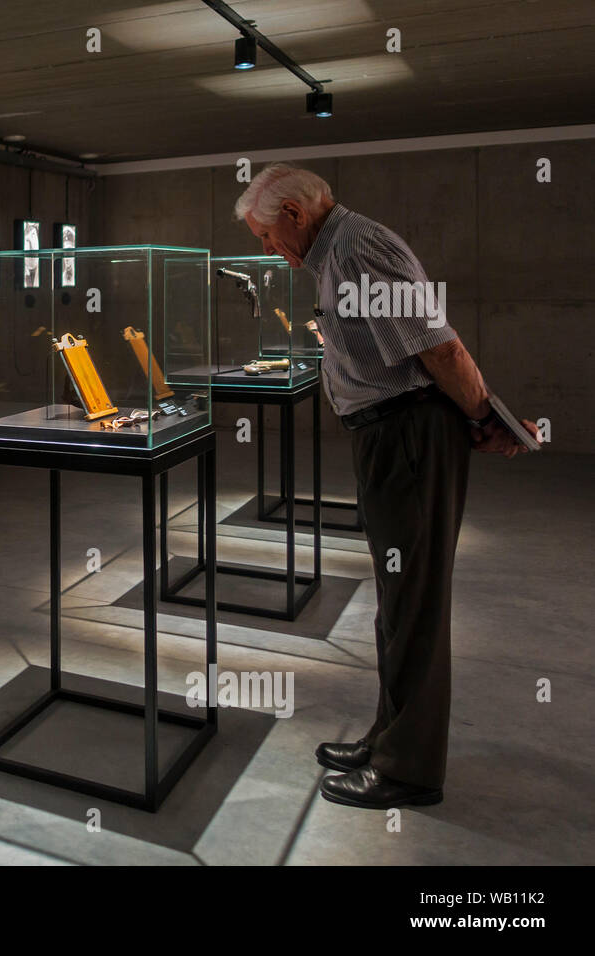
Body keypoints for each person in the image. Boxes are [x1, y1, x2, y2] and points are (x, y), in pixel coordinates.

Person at [234, 163, 538, 809]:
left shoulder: (359, 248)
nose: (267, 249)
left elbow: (440, 349)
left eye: (266, 235)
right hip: (390, 436)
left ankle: (408, 770)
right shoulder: (337, 252)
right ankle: (388, 737)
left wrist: (485, 416)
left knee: (415, 604)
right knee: (399, 602)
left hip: (407, 435)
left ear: (294, 214)